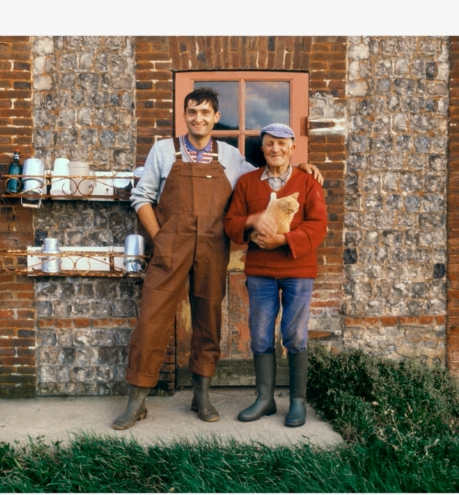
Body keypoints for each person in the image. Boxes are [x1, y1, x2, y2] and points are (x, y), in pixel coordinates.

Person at [113, 89, 322, 430]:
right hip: (171, 247)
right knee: (152, 318)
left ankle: (202, 395)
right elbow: (141, 198)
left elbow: (266, 174)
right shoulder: (164, 151)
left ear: (215, 116)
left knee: (208, 319)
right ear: (185, 115)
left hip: (212, 248)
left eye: (206, 113)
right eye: (193, 112)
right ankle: (136, 401)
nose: (199, 119)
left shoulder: (228, 155)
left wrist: (299, 167)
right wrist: (161, 238)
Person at [223, 123, 327, 428]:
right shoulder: (247, 183)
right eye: (269, 144)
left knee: (295, 334)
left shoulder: (308, 183)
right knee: (259, 334)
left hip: (298, 269)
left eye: (282, 143)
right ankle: (265, 399)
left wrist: (283, 240)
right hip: (261, 271)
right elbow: (231, 223)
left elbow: (318, 226)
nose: (276, 149)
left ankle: (297, 402)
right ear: (263, 148)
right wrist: (250, 226)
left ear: (293, 147)